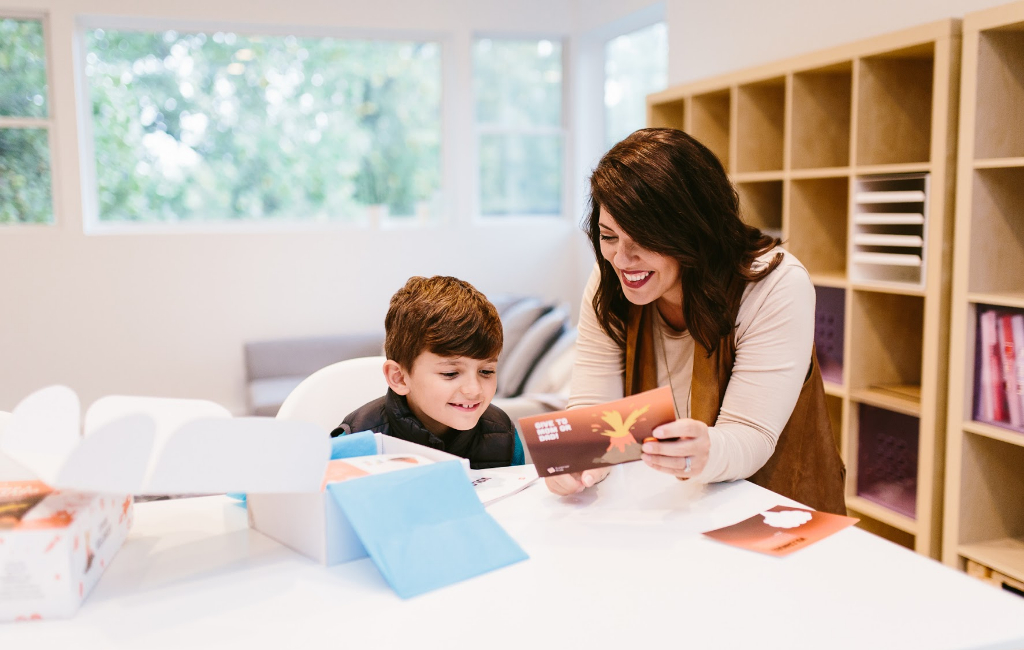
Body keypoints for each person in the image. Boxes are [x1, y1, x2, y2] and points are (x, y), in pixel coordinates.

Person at [547, 128, 845, 514]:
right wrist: (576, 460)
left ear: (691, 229)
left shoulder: (775, 284)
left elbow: (750, 436)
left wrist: (704, 451)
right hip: (672, 510)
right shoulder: (613, 281)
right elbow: (593, 411)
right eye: (608, 236)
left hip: (773, 509)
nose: (622, 258)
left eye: (642, 238)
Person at [331, 275, 523, 469]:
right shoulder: (356, 442)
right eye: (450, 373)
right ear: (399, 378)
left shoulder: (504, 436)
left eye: (486, 371)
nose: (474, 390)